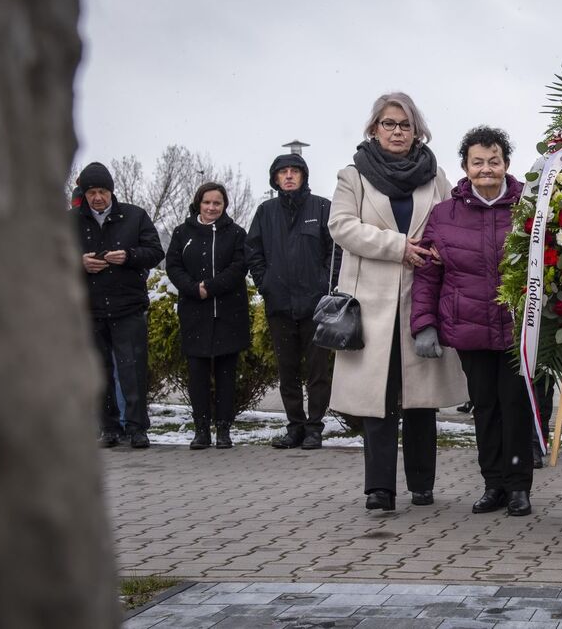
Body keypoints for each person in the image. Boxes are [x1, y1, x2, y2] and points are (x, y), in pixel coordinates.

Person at [329, 92, 468, 512]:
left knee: (421, 400)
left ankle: (423, 485)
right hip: (370, 304)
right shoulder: (352, 175)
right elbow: (341, 226)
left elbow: (451, 222)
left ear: (417, 131)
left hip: (422, 299)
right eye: (388, 124)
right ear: (374, 128)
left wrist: (441, 249)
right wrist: (397, 246)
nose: (396, 131)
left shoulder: (435, 175)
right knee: (379, 400)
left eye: (404, 125)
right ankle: (379, 489)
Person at [411, 126, 534, 516]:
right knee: (484, 405)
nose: (486, 169)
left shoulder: (529, 209)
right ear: (464, 167)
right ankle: (493, 484)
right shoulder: (444, 214)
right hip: (468, 325)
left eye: (493, 161)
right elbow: (428, 272)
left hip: (518, 326)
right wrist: (424, 323)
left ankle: (518, 487)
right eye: (477, 162)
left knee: (515, 404)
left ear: (506, 165)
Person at [246, 153, 338, 450]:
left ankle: (314, 428)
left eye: (294, 171)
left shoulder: (322, 207)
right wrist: (265, 284)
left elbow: (335, 252)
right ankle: (295, 426)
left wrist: (325, 286)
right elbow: (254, 252)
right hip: (280, 305)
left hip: (315, 305)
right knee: (287, 370)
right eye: (282, 172)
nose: (288, 176)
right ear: (274, 178)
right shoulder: (265, 211)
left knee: (317, 371)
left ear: (303, 176)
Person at [73, 162, 164, 448]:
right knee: (98, 372)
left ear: (112, 191)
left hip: (128, 306)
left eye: (102, 191)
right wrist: (80, 263)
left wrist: (127, 256)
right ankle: (109, 428)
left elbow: (155, 252)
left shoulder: (134, 216)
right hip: (89, 308)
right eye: (91, 192)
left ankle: (137, 428)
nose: (97, 197)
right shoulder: (70, 221)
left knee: (132, 369)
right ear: (84, 194)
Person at [166, 182, 250, 449]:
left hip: (228, 314)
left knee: (227, 375)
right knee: (198, 375)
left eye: (218, 203)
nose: (212, 207)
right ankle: (201, 429)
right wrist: (193, 289)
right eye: (207, 202)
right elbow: (173, 266)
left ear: (224, 206)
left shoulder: (236, 233)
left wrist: (210, 287)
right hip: (194, 313)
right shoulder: (182, 233)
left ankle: (224, 430)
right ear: (198, 203)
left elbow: (239, 267)